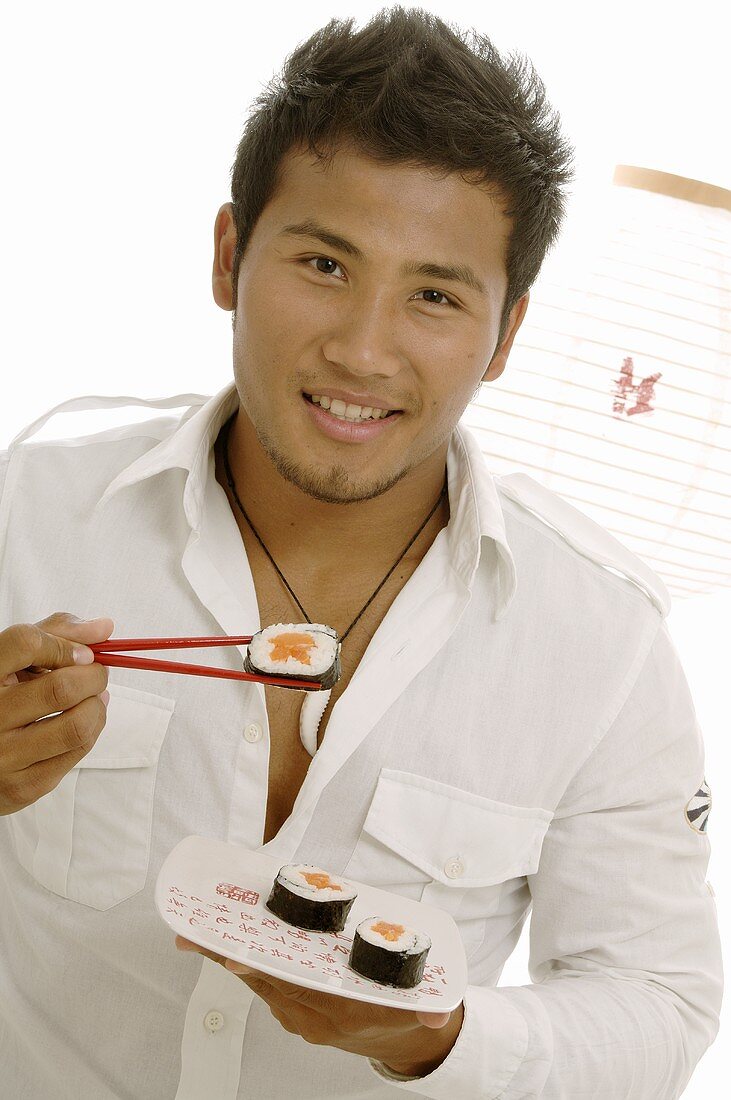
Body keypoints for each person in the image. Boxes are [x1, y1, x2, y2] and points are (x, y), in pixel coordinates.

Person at [0, 7, 722, 1098]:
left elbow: (657, 999)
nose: (363, 348)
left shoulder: (601, 636)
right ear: (230, 254)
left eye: (434, 294)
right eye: (324, 262)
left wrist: (432, 1036)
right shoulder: (24, 517)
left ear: (506, 334)